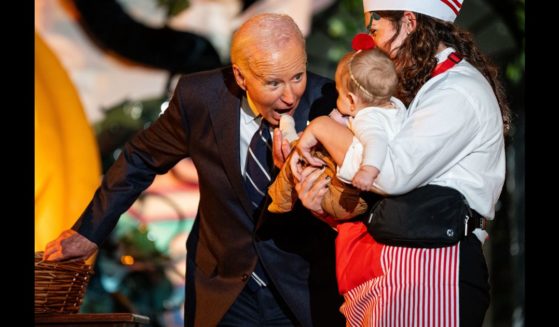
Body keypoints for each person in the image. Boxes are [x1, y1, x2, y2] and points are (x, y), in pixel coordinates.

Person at [43, 13, 345, 327]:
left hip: (301, 289)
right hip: (225, 288)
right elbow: (140, 158)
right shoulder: (200, 98)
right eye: (273, 83)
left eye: (298, 76)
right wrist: (88, 231)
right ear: (242, 77)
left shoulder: (327, 105)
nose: (290, 95)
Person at [291, 0, 510, 326]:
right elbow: (382, 197)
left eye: (375, 30)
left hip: (433, 273)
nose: (371, 44)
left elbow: (390, 174)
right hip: (393, 273)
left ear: (408, 23)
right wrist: (324, 205)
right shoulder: (418, 85)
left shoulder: (457, 91)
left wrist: (322, 129)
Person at [268, 46, 405, 220]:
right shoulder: (395, 106)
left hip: (344, 196)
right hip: (355, 200)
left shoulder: (368, 120)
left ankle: (280, 200)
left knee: (299, 158)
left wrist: (368, 170)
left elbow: (376, 141)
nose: (336, 98)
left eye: (339, 94)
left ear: (351, 100)